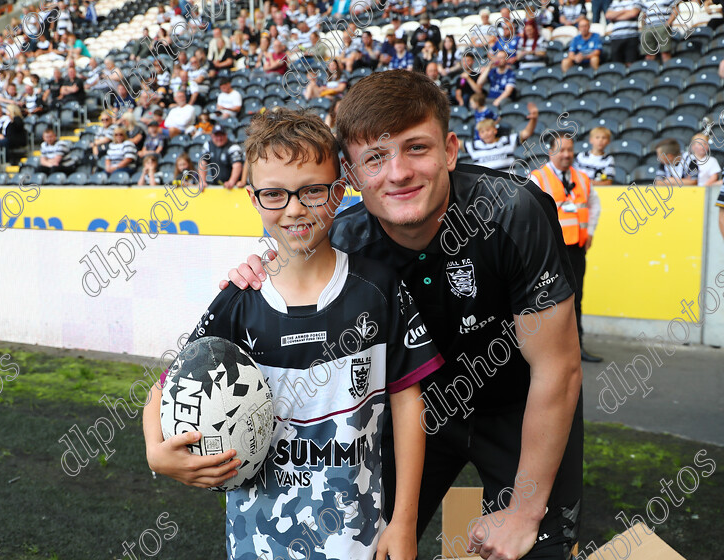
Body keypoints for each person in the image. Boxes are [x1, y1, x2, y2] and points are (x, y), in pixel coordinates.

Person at [224, 70, 584, 560]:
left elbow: (557, 369)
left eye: (416, 147)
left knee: (539, 550)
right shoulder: (346, 242)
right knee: (375, 544)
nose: (398, 173)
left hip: (517, 406)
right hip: (415, 417)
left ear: (450, 150)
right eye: (375, 157)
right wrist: (257, 269)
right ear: (350, 176)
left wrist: (523, 512)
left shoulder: (512, 211)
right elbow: (284, 268)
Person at [143, 107, 439, 560]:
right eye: (275, 194)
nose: (295, 209)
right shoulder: (239, 299)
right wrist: (155, 451)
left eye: (312, 191)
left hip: (360, 541)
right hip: (256, 543)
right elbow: (166, 387)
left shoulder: (377, 291)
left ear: (339, 191)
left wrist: (404, 520)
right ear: (254, 197)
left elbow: (407, 401)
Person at [531, 136, 603, 363]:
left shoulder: (582, 178)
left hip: (575, 250)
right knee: (549, 301)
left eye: (570, 150)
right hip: (548, 252)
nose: (566, 154)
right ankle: (548, 351)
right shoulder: (537, 177)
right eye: (561, 150)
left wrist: (589, 232)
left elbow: (595, 205)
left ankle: (577, 348)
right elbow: (528, 212)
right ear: (550, 152)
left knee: (576, 298)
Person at [463, 103, 539, 171]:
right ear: (479, 134)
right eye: (482, 132)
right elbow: (455, 142)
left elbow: (526, 133)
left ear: (495, 130)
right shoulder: (473, 146)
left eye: (488, 130)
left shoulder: (507, 141)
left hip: (508, 184)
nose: (486, 133)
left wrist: (533, 119)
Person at [199, 124, 244, 190]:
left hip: (233, 188)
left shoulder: (233, 147)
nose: (219, 138)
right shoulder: (208, 145)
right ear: (212, 136)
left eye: (221, 135)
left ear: (226, 135)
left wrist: (231, 182)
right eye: (216, 136)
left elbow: (237, 166)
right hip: (217, 185)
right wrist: (202, 181)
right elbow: (202, 163)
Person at [605, 0, 642, 66]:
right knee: (617, 64)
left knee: (631, 62)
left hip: (631, 36)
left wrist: (616, 17)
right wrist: (624, 11)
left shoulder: (635, 1)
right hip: (616, 37)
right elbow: (608, 15)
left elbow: (633, 13)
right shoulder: (615, 2)